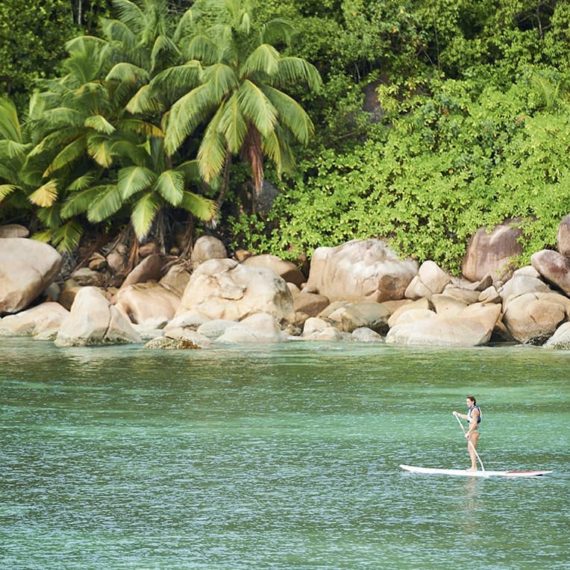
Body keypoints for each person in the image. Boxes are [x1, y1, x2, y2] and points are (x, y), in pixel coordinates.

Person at [453, 395, 482, 471]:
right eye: (466, 402)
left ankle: (474, 468)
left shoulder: (475, 410)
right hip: (472, 432)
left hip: (474, 432)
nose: (467, 403)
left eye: (468, 401)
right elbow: (467, 417)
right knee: (470, 449)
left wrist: (469, 432)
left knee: (472, 449)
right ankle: (473, 467)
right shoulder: (471, 410)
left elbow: (475, 423)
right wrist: (458, 414)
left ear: (473, 401)